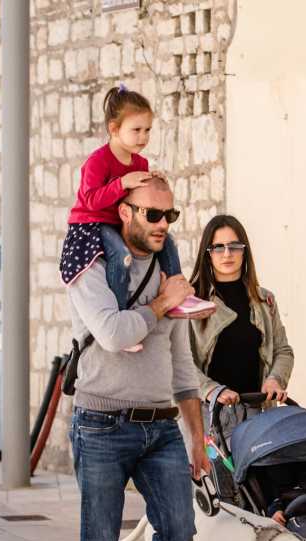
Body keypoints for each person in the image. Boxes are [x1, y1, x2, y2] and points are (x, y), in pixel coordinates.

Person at [66, 175, 211, 541]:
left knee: (178, 532)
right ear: (123, 211)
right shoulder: (91, 269)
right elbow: (112, 333)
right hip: (101, 423)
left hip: (160, 427)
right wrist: (160, 304)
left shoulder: (167, 270)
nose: (163, 225)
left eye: (170, 216)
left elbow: (181, 362)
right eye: (153, 215)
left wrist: (197, 438)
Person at [175, 214, 294, 541]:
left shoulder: (265, 300)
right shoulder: (194, 306)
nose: (228, 255)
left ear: (245, 250)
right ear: (208, 255)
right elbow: (184, 366)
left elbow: (283, 349)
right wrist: (213, 390)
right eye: (219, 247)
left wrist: (277, 377)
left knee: (255, 504)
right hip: (211, 419)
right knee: (215, 509)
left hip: (259, 417)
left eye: (235, 246)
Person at [60, 84, 213, 353]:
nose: (143, 137)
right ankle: (121, 316)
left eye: (148, 130)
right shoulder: (99, 161)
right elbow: (91, 199)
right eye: (136, 130)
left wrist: (156, 180)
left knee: (169, 240)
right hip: (91, 224)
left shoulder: (140, 163)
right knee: (120, 253)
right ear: (114, 130)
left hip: (118, 220)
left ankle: (179, 292)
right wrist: (121, 184)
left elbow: (141, 194)